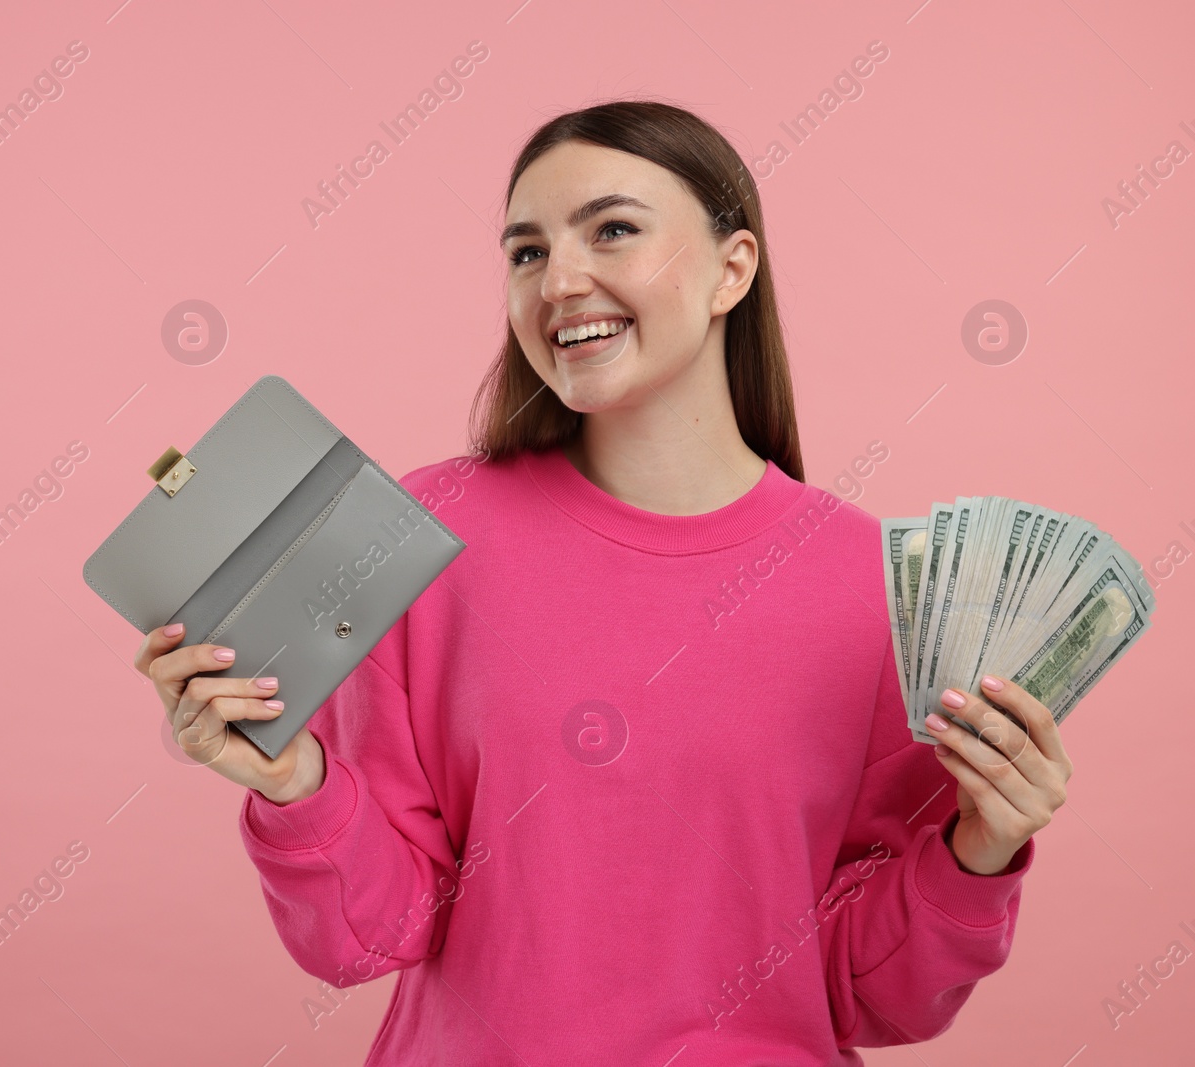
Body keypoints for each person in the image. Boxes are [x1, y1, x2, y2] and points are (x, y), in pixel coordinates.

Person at [135, 100, 1073, 1064]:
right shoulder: (425, 538)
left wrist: (979, 852)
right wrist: (296, 785)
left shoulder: (873, 589)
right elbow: (372, 934)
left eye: (612, 231)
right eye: (526, 252)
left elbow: (868, 996)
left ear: (732, 269)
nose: (560, 282)